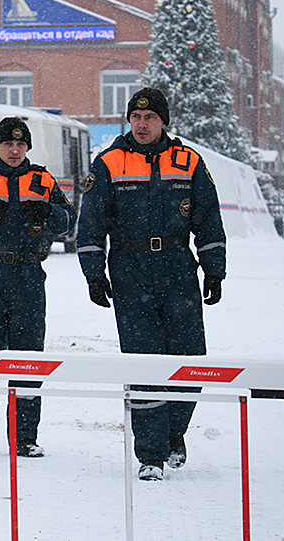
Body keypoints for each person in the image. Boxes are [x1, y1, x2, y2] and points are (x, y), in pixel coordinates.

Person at [76, 87, 226, 481]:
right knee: (143, 363)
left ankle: (174, 432)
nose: (142, 125)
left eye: (150, 119)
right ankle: (151, 454)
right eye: (136, 119)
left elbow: (208, 219)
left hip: (179, 269)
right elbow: (91, 223)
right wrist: (94, 273)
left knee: (190, 361)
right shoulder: (109, 162)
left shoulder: (189, 161)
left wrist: (214, 269)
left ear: (163, 123)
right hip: (130, 269)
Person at [0, 117, 76, 457]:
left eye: (21, 145)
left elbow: (68, 221)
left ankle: (24, 436)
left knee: (27, 357)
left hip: (27, 277)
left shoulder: (42, 179)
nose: (15, 150)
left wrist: (49, 211)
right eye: (8, 144)